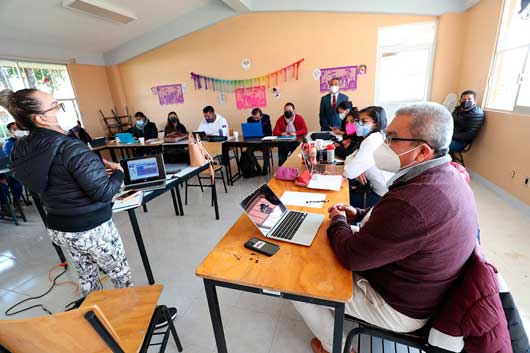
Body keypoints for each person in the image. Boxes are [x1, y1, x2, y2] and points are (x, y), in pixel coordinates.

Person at [293, 102, 478, 353]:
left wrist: (337, 219)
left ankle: (333, 347)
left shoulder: (414, 202)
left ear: (422, 151)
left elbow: (351, 256)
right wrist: (358, 213)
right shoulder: (446, 175)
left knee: (296, 283)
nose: (383, 145)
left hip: (399, 307)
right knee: (322, 245)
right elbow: (396, 223)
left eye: (391, 139)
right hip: (415, 285)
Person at [8, 88, 134, 297]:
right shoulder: (71, 148)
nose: (60, 109)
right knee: (120, 274)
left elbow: (48, 180)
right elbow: (104, 193)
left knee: (86, 274)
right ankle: (134, 319)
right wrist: (118, 172)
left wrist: (87, 173)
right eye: (56, 106)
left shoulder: (20, 149)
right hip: (91, 229)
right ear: (41, 118)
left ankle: (94, 317)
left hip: (60, 228)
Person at [343, 106, 390, 208]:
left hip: (379, 196)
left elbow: (348, 172)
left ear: (376, 123)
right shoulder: (375, 137)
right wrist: (358, 169)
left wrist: (356, 168)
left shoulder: (371, 141)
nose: (358, 124)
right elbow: (349, 157)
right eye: (358, 121)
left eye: (364, 121)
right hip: (376, 189)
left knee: (339, 199)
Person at [244, 108, 272, 175]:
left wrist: (263, 134)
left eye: (257, 118)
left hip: (264, 142)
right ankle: (257, 166)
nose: (255, 120)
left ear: (261, 116)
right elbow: (249, 132)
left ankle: (265, 167)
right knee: (248, 151)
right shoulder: (249, 119)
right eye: (254, 118)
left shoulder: (266, 118)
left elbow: (269, 132)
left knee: (266, 149)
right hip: (254, 142)